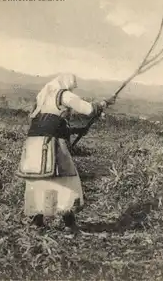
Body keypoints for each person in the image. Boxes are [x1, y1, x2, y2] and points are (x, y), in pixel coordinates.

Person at [16, 73, 115, 230]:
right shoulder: (63, 94)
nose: (72, 89)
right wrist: (102, 104)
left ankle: (38, 221)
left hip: (34, 142)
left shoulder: (43, 96)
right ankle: (69, 223)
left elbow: (51, 122)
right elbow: (88, 109)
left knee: (40, 180)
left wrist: (75, 130)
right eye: (72, 87)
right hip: (51, 143)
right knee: (66, 180)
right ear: (67, 84)